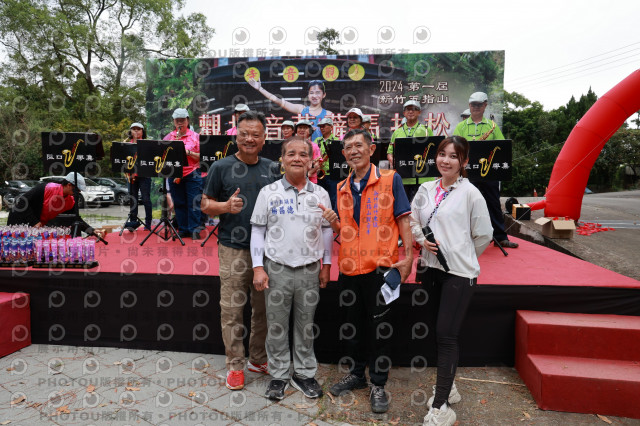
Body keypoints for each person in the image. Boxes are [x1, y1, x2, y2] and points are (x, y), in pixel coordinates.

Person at [327, 129, 414, 414]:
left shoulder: (390, 179)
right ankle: (356, 375)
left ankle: (378, 383)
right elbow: (346, 230)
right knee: (352, 326)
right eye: (348, 147)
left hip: (380, 268)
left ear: (371, 149)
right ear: (343, 154)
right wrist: (333, 222)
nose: (354, 151)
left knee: (379, 329)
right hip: (349, 269)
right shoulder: (341, 187)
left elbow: (404, 219)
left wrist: (409, 257)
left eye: (358, 145)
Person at [409, 136, 492, 425]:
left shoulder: (471, 193)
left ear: (464, 161)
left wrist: (461, 254)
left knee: (446, 335)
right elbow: (413, 220)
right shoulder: (426, 188)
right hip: (430, 269)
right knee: (438, 331)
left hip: (459, 273)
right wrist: (421, 240)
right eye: (442, 154)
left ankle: (441, 407)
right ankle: (450, 388)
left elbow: (484, 235)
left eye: (454, 156)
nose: (446, 160)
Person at [250, 136, 334, 400]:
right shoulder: (269, 192)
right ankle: (278, 375)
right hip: (277, 269)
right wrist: (258, 268)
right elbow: (258, 231)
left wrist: (326, 265)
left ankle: (304, 373)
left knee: (305, 324)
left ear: (311, 161)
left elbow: (327, 230)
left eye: (303, 154)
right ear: (282, 159)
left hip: (310, 270)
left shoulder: (320, 194)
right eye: (291, 154)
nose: (297, 158)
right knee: (276, 325)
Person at [201, 111, 280, 391]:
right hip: (233, 250)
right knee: (232, 310)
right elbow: (205, 204)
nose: (249, 139)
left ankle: (258, 359)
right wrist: (225, 207)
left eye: (255, 134)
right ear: (236, 136)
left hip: (267, 252)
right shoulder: (220, 167)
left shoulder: (273, 168)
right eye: (244, 134)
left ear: (264, 138)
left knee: (263, 310)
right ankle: (235, 365)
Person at [453, 92, 518, 248]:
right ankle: (464, 238)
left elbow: (502, 147)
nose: (476, 107)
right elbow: (454, 148)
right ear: (469, 106)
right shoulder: (461, 127)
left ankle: (500, 237)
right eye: (473, 104)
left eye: (479, 104)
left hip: (489, 172)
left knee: (493, 203)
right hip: (468, 173)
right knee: (465, 205)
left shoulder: (492, 126)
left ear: (485, 105)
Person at [7, 172, 93, 234]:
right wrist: (33, 221)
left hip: (36, 226)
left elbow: (76, 219)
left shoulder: (70, 201)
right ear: (69, 185)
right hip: (18, 219)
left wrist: (91, 231)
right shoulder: (46, 188)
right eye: (77, 189)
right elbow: (22, 201)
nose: (78, 192)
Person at [164, 108, 203, 239]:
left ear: (188, 120)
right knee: (179, 202)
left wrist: (188, 153)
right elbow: (162, 156)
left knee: (194, 202)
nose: (180, 123)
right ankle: (183, 229)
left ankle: (194, 230)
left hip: (192, 172)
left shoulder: (195, 137)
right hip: (175, 173)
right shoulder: (169, 137)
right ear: (173, 121)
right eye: (177, 121)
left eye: (182, 120)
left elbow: (202, 157)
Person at [249, 79, 332, 140]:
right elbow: (278, 101)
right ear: (308, 95)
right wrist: (260, 89)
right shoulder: (302, 109)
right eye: (311, 93)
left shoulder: (328, 114)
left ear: (324, 95)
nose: (314, 96)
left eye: (318, 92)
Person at [387, 100, 434, 169]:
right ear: (404, 113)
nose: (411, 111)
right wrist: (392, 161)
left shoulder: (426, 130)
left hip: (422, 172)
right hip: (402, 172)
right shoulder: (396, 132)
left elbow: (433, 151)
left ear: (419, 112)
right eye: (408, 109)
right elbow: (390, 152)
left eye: (414, 109)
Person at [124, 122, 152, 231]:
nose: (136, 131)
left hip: (144, 175)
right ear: (130, 131)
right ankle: (133, 223)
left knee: (146, 199)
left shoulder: (147, 144)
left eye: (138, 129)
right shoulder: (127, 144)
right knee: (133, 199)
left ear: (142, 132)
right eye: (133, 129)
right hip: (131, 176)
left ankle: (148, 223)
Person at [314, 117, 339, 210]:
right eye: (320, 126)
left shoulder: (336, 140)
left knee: (333, 198)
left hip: (332, 174)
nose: (322, 128)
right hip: (319, 173)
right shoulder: (317, 141)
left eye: (324, 126)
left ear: (331, 127)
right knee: (319, 197)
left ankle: (334, 215)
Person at [295, 120, 322, 184]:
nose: (302, 130)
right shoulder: (291, 145)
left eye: (305, 128)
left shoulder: (314, 146)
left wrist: (308, 174)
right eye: (300, 128)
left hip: (310, 180)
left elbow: (317, 165)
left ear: (310, 131)